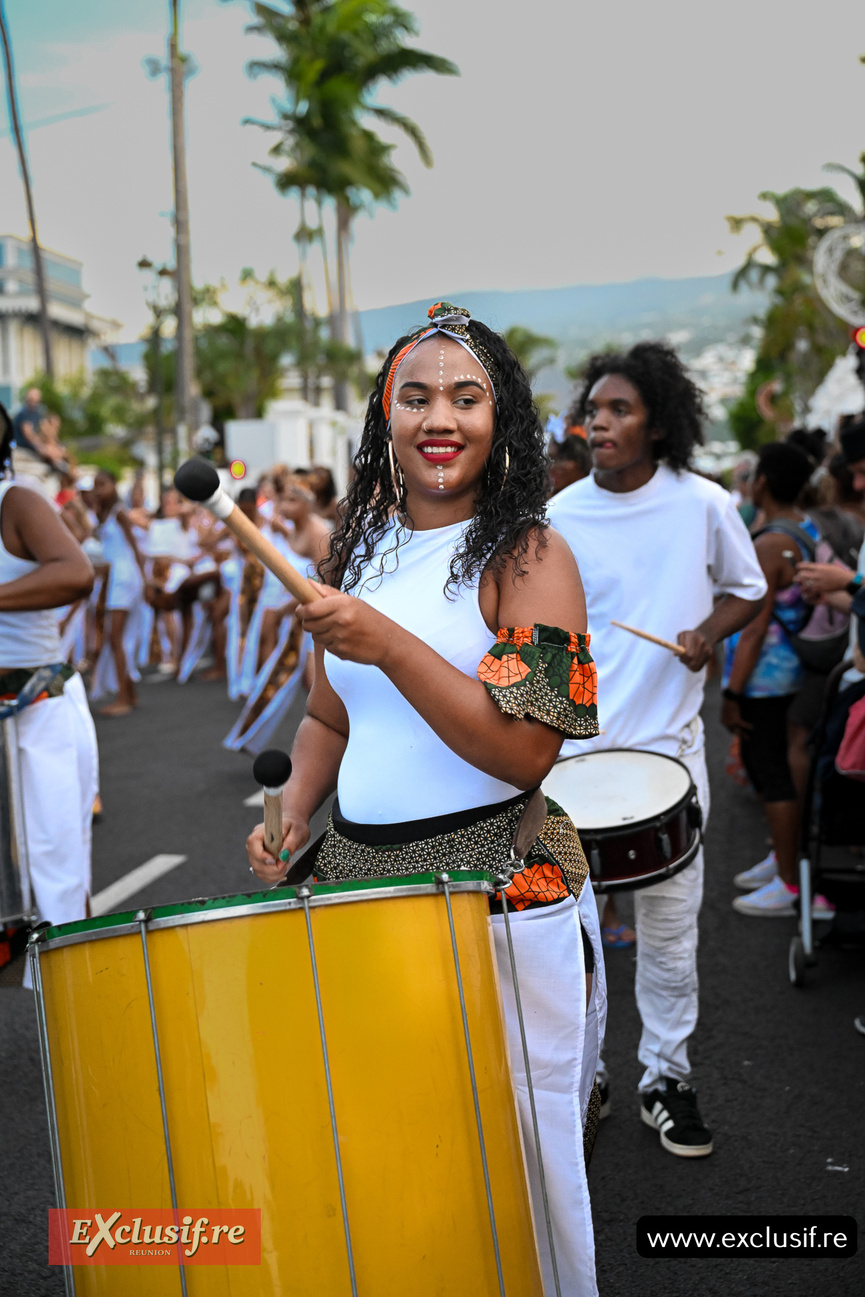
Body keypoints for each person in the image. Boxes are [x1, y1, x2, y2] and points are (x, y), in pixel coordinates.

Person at [247, 302, 604, 1296]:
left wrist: (390, 644)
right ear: (385, 419)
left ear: (501, 420)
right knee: (379, 1148)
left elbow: (525, 753)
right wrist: (293, 811)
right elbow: (328, 717)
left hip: (493, 886)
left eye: (464, 396)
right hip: (358, 884)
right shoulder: (354, 556)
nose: (437, 417)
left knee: (509, 1158)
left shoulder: (528, 556)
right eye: (415, 397)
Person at [547, 341, 766, 1157]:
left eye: (618, 410)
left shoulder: (703, 504)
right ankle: (578, 1081)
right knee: (567, 939)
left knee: (669, 935)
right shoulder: (560, 515)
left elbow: (747, 589)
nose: (597, 423)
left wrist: (707, 634)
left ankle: (664, 1078)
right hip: (570, 762)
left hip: (667, 757)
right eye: (593, 410)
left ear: (658, 423)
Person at [0, 403, 99, 985]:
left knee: (56, 885)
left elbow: (74, 572)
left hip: (35, 712)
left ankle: (80, 1042)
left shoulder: (16, 500)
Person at [721, 444, 834, 918]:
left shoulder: (768, 543)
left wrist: (731, 691)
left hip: (766, 681)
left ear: (761, 482)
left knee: (770, 771)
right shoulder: (804, 526)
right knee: (775, 771)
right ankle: (782, 860)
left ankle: (791, 884)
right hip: (791, 674)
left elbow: (753, 626)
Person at [91, 470, 146, 716]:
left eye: (102, 484)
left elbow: (135, 548)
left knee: (116, 638)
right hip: (118, 577)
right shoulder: (102, 515)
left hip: (125, 577)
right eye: (96, 485)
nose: (98, 489)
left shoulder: (119, 512)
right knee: (122, 639)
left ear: (113, 485)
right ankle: (130, 694)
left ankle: (123, 697)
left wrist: (146, 579)